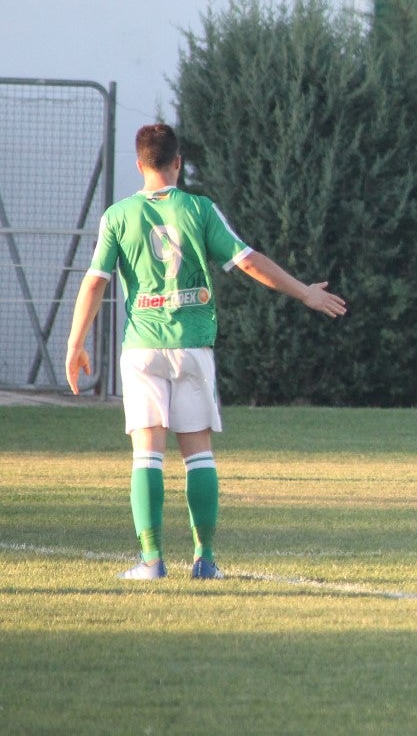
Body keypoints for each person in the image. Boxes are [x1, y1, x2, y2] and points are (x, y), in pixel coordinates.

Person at [65, 123, 347, 581]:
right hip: (192, 345)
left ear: (140, 164)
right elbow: (248, 260)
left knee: (147, 456)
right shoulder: (199, 209)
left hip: (141, 348)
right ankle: (205, 559)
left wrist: (76, 343)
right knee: (198, 455)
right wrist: (304, 293)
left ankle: (152, 561)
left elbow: (95, 281)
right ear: (178, 163)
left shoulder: (118, 216)